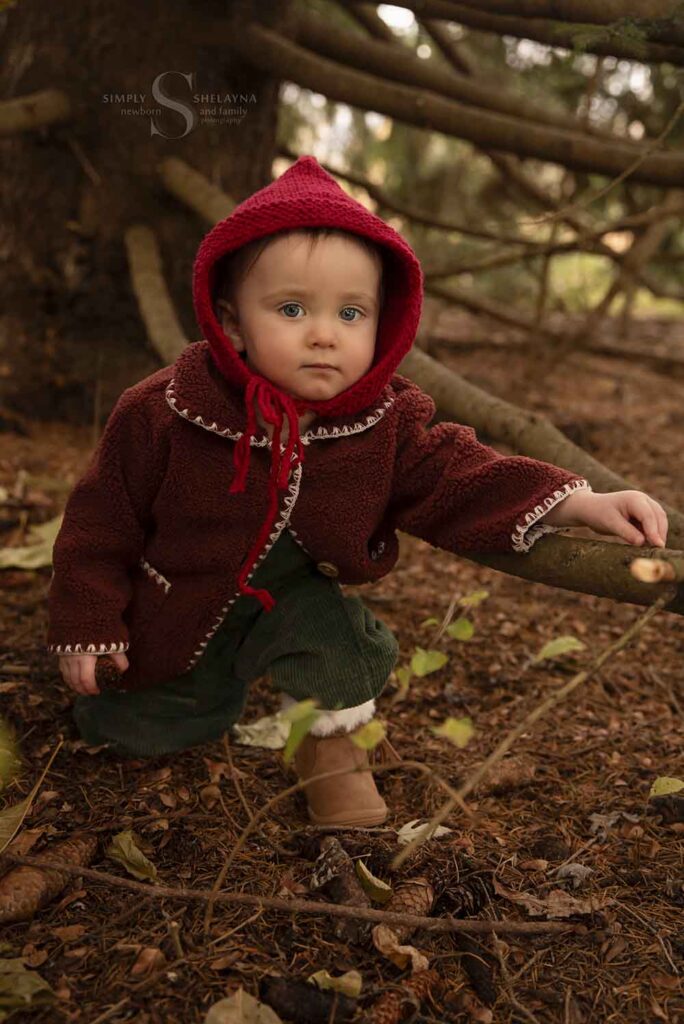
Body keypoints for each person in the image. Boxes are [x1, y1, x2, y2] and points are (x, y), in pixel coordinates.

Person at [46, 155, 669, 828]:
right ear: (231, 323)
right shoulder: (166, 409)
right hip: (175, 594)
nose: (324, 333)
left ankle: (333, 763)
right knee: (141, 729)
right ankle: (156, 705)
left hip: (289, 592)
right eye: (291, 309)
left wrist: (579, 501)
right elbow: (99, 520)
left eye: (351, 313)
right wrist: (86, 621)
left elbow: (457, 475)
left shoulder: (382, 420)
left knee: (338, 640)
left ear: (383, 322)